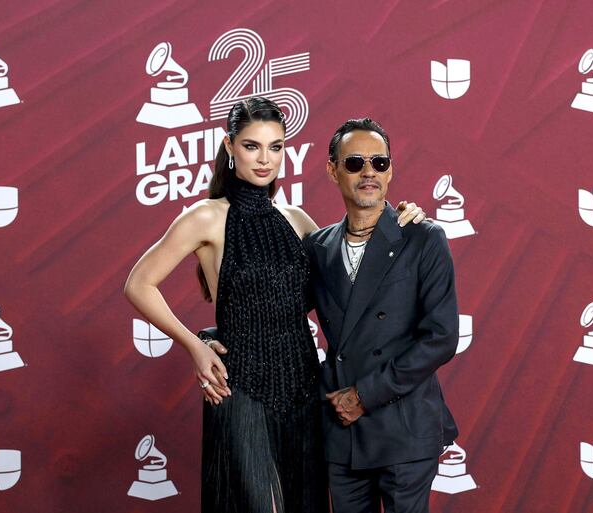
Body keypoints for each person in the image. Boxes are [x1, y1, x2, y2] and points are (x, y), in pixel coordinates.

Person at [123, 98, 426, 513]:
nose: (265, 159)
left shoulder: (298, 219)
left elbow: (355, 283)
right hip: (240, 387)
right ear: (229, 147)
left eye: (276, 147)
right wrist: (194, 345)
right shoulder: (206, 217)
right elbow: (139, 284)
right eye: (252, 146)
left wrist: (396, 221)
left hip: (305, 388)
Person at [303, 118, 460, 513]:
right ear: (332, 169)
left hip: (403, 424)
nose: (368, 171)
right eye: (354, 163)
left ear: (391, 170)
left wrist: (364, 395)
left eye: (380, 162)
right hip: (342, 431)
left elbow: (441, 338)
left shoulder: (423, 237)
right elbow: (277, 316)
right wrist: (214, 339)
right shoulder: (317, 247)